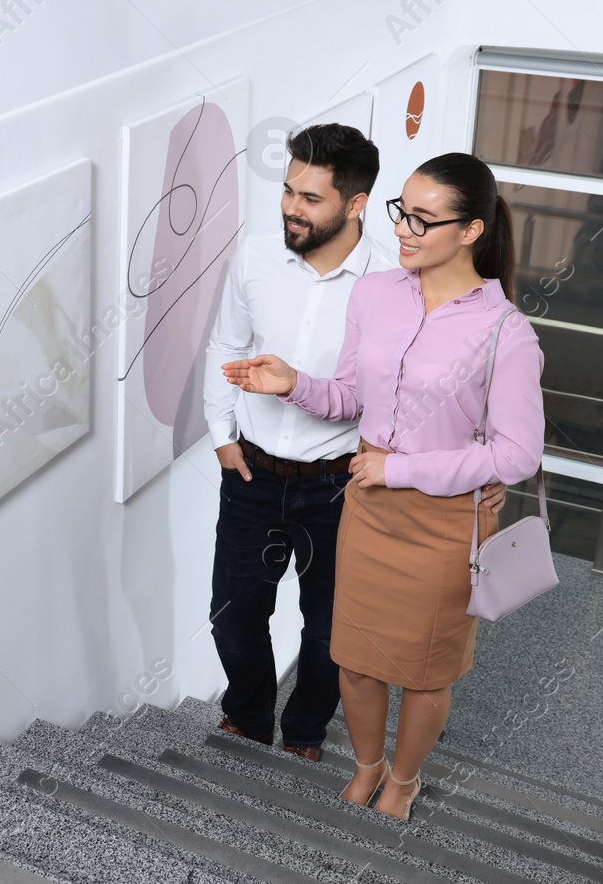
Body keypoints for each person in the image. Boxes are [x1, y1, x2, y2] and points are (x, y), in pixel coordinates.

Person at [222, 152, 544, 819]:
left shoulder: (505, 333)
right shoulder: (373, 293)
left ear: (472, 231)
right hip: (369, 511)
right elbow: (348, 397)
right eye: (403, 211)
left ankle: (404, 777)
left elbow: (517, 452)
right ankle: (368, 765)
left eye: (424, 220)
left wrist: (400, 468)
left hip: (444, 523)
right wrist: (294, 384)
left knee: (426, 672)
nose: (403, 229)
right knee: (356, 659)